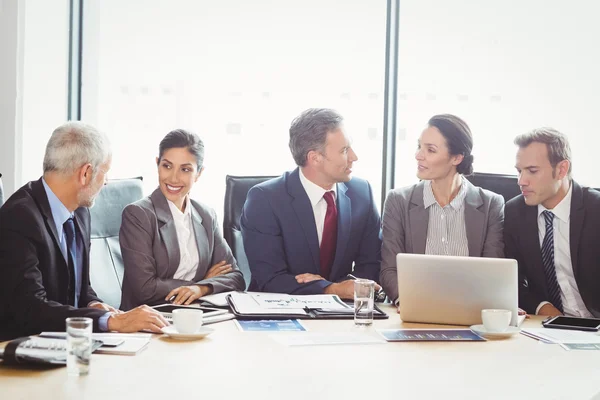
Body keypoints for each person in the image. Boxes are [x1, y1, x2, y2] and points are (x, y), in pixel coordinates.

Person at [0, 122, 168, 341]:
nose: (106, 182)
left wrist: (93, 304)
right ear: (86, 173)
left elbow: (80, 288)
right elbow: (30, 309)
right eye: (105, 172)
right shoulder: (19, 218)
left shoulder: (80, 212)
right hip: (24, 352)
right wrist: (111, 322)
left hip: (70, 343)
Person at [240, 108, 381, 300]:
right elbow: (269, 279)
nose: (354, 157)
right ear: (314, 158)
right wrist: (331, 289)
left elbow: (371, 265)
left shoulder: (361, 193)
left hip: (344, 314)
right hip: (279, 312)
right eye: (344, 150)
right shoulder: (264, 200)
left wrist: (338, 288)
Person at [380, 114, 505, 303]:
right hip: (413, 311)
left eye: (430, 150)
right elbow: (389, 270)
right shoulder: (398, 201)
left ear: (456, 158)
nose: (418, 155)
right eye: (419, 146)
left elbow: (493, 273)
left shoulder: (491, 205)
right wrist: (409, 301)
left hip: (470, 313)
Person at [119, 129, 245, 310]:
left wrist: (201, 289)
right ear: (157, 164)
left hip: (197, 313)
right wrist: (200, 283)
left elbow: (236, 277)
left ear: (199, 173)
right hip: (151, 317)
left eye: (185, 169)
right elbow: (144, 288)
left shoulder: (206, 215)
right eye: (167, 166)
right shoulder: (138, 214)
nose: (173, 178)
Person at [504, 128, 600, 317]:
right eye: (519, 171)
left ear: (561, 169)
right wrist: (543, 307)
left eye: (532, 171)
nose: (521, 181)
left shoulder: (595, 209)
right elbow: (510, 280)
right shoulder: (515, 212)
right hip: (548, 327)